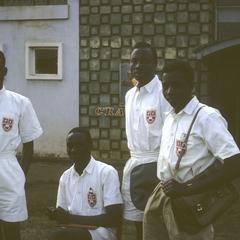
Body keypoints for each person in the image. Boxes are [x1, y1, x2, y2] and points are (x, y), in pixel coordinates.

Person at [143, 60, 240, 240]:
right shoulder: (170, 117)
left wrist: (187, 189)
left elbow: (234, 163)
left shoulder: (207, 117)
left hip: (191, 201)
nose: (170, 91)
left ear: (191, 87)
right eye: (166, 86)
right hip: (162, 194)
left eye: (177, 85)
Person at [121, 42, 171, 240]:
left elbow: (172, 131)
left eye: (144, 61)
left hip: (157, 165)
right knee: (137, 221)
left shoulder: (163, 92)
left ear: (155, 64)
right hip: (135, 164)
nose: (138, 66)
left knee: (158, 221)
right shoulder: (129, 95)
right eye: (134, 61)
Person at [48, 127, 123, 240]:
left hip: (100, 232)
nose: (73, 150)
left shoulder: (106, 172)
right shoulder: (65, 176)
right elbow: (62, 218)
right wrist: (57, 214)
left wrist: (71, 218)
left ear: (90, 146)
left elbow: (113, 219)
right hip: (71, 229)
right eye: (70, 145)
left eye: (79, 145)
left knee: (65, 236)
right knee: (56, 236)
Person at [0, 51, 43, 240]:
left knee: (11, 231)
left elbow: (29, 145)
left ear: (4, 70)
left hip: (9, 170)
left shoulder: (20, 102)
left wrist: (21, 176)